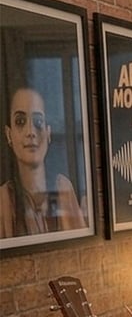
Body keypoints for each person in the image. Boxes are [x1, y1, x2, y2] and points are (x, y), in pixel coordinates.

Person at [1, 86, 86, 238]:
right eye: (20, 121)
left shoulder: (63, 187)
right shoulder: (3, 199)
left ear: (48, 133)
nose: (30, 132)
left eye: (38, 121)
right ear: (9, 135)